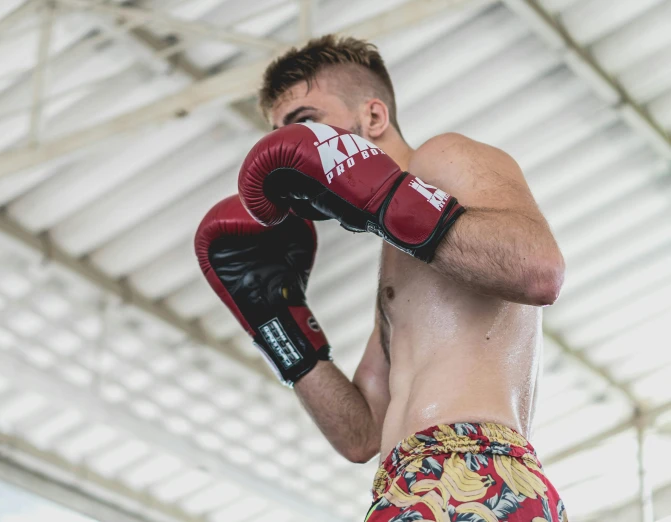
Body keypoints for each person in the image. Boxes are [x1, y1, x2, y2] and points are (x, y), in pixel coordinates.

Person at [196, 35, 568, 521]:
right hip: (401, 483)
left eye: (305, 123)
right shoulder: (398, 254)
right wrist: (276, 326)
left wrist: (388, 199)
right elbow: (362, 434)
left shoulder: (445, 158)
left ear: (373, 117)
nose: (291, 147)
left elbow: (540, 270)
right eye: (279, 135)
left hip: (475, 467)